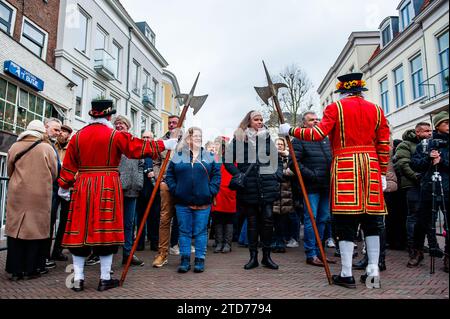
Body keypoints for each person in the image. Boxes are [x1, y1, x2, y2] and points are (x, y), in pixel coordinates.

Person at [279, 73, 390, 289]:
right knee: (372, 222)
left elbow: (318, 133)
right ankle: (373, 274)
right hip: (371, 167)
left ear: (343, 91)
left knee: (345, 221)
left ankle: (346, 273)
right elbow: (384, 143)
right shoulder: (377, 110)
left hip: (345, 166)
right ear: (360, 90)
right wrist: (383, 172)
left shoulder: (336, 108)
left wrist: (290, 130)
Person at [57, 99, 177, 292]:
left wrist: (64, 185)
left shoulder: (78, 136)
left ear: (92, 114)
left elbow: (68, 165)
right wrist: (165, 143)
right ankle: (104, 279)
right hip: (107, 185)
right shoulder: (114, 135)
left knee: (81, 230)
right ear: (109, 115)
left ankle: (78, 278)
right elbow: (137, 148)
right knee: (105, 232)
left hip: (84, 185)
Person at [225, 110, 283, 270]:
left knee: (268, 221)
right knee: (252, 223)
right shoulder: (238, 139)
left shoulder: (267, 138)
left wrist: (277, 174)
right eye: (256, 119)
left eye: (261, 119)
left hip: (268, 184)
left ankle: (267, 256)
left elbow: (277, 159)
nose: (259, 122)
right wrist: (240, 175)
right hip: (248, 186)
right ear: (248, 122)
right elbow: (228, 161)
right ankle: (253, 258)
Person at [5, 120, 58, 280]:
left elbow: (9, 170)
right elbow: (55, 173)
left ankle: (15, 270)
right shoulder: (47, 148)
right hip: (39, 195)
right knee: (36, 231)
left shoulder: (15, 146)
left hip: (18, 193)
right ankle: (32, 268)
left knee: (16, 230)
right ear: (42, 132)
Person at [165, 127, 221, 273]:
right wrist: (175, 190)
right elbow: (169, 174)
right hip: (182, 201)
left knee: (201, 231)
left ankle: (199, 259)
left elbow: (216, 175)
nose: (197, 138)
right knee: (184, 231)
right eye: (194, 136)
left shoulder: (208, 156)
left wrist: (211, 191)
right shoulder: (178, 156)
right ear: (188, 139)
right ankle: (184, 260)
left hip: (203, 200)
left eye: (200, 136)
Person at [290, 111, 333, 266]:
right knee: (311, 219)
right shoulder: (299, 139)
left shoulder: (325, 139)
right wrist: (312, 175)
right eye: (311, 120)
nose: (316, 122)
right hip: (311, 186)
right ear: (304, 123)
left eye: (317, 119)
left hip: (326, 185)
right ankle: (311, 253)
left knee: (323, 218)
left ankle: (320, 251)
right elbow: (294, 163)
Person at [410, 111, 448, 272]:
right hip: (428, 187)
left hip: (447, 187)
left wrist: (443, 160)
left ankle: (448, 255)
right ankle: (418, 252)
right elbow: (415, 164)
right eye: (446, 122)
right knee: (422, 222)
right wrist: (428, 159)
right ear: (438, 125)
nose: (449, 125)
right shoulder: (425, 144)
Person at [395, 122, 433, 259]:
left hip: (428, 184)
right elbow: (402, 164)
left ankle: (431, 245)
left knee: (430, 216)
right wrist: (416, 177)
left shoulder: (432, 143)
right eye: (426, 131)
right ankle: (413, 246)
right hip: (413, 184)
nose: (429, 133)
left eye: (430, 130)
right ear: (417, 132)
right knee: (414, 215)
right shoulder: (405, 145)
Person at [152, 115, 184, 268]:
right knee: (165, 218)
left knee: (184, 218)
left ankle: (183, 253)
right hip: (166, 184)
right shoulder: (161, 141)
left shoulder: (188, 140)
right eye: (169, 123)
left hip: (183, 184)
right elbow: (156, 162)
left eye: (174, 123)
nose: (171, 125)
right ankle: (162, 253)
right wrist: (160, 178)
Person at [51, 124, 73, 261]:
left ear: (68, 135)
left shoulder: (71, 148)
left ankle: (57, 250)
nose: (61, 133)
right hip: (53, 186)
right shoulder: (52, 146)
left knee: (64, 221)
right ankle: (44, 252)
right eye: (60, 131)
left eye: (64, 132)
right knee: (50, 219)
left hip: (67, 188)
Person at [211, 136, 237, 253]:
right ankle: (219, 242)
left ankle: (227, 243)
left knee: (229, 219)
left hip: (230, 190)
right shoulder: (213, 158)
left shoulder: (232, 158)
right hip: (217, 191)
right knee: (217, 218)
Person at [136, 131, 160, 252]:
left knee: (154, 217)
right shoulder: (137, 151)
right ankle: (139, 243)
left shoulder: (156, 152)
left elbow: (160, 166)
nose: (146, 139)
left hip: (154, 189)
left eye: (148, 137)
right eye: (144, 137)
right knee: (140, 217)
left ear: (152, 138)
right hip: (140, 188)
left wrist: (155, 174)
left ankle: (154, 242)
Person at [43, 117, 62, 270]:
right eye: (55, 129)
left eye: (59, 130)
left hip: (53, 190)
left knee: (49, 224)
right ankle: (43, 257)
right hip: (47, 190)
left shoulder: (52, 144)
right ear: (45, 127)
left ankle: (44, 256)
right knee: (46, 224)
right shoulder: (45, 144)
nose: (58, 133)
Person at [272, 137, 295, 253]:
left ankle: (281, 242)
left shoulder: (289, 157)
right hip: (274, 193)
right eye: (277, 144)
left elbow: (293, 171)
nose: (279, 146)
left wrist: (280, 173)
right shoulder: (271, 157)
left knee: (283, 220)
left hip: (286, 193)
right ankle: (273, 241)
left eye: (281, 144)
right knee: (273, 220)